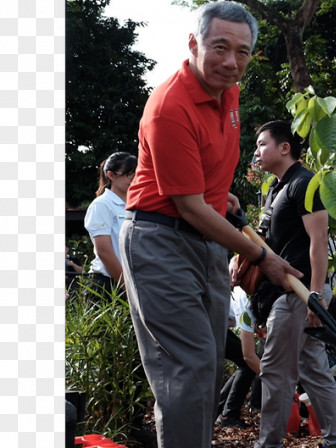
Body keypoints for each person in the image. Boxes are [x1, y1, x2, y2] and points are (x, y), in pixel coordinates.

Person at [118, 4, 301, 447]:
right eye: (220, 47)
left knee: (208, 363)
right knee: (189, 364)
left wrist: (220, 195)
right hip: (160, 240)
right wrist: (261, 255)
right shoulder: (169, 106)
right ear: (194, 44)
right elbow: (188, 206)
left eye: (242, 52)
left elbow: (203, 184)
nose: (230, 61)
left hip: (204, 241)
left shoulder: (230, 94)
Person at [250, 120, 336, 448]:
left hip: (299, 294)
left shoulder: (305, 183)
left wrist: (317, 296)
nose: (256, 151)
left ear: (284, 147)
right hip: (289, 295)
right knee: (314, 369)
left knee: (276, 372)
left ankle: (269, 444)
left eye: (262, 144)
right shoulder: (276, 189)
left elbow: (319, 240)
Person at [217, 259, 263, 428]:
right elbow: (249, 355)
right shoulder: (246, 299)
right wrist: (275, 385)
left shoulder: (252, 291)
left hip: (217, 324)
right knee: (248, 363)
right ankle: (228, 415)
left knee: (245, 364)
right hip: (211, 326)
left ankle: (220, 409)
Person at [83, 151, 136, 297]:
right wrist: (127, 287)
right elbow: (104, 251)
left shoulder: (136, 205)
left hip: (133, 284)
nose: (134, 179)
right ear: (111, 175)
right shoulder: (102, 204)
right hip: (107, 286)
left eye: (137, 174)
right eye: (129, 174)